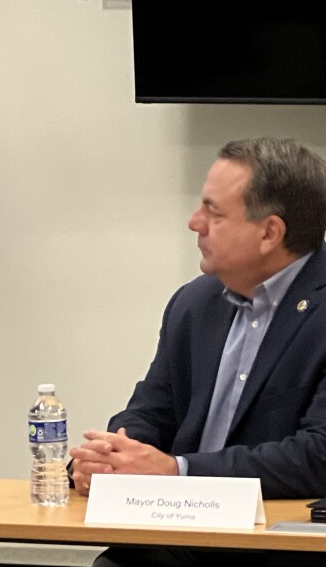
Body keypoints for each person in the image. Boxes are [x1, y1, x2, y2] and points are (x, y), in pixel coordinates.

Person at [70, 137, 326, 567]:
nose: (194, 222)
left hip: (278, 547)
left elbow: (317, 455)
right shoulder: (195, 303)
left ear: (270, 232)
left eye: (214, 211)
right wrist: (113, 458)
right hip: (179, 537)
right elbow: (152, 410)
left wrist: (177, 471)